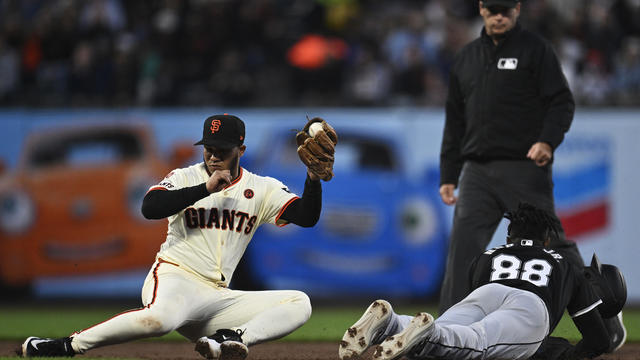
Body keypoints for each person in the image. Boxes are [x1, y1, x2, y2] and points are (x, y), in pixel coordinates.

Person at [20, 114, 337, 359]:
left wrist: (313, 179)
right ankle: (67, 345)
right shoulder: (185, 176)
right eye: (209, 149)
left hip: (218, 299)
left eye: (222, 151)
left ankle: (232, 340)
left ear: (241, 150)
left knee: (299, 303)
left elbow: (306, 217)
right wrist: (205, 189)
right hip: (176, 278)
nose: (213, 156)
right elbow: (150, 207)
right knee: (159, 320)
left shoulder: (261, 187)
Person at [438, 0, 627, 350]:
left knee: (554, 245)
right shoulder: (466, 57)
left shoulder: (535, 49)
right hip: (476, 170)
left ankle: (602, 318)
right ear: (480, 8)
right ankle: (443, 336)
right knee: (462, 252)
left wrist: (547, 141)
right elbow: (455, 121)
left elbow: (561, 102)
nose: (499, 16)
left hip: (524, 165)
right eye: (492, 9)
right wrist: (449, 173)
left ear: (518, 9)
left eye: (505, 10)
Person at [339, 203, 614, 360]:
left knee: (453, 327)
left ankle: (393, 322)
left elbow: (477, 306)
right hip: (530, 306)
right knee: (477, 343)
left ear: (509, 238)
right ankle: (429, 334)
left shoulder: (486, 256)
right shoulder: (565, 263)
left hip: (487, 293)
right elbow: (598, 341)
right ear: (547, 241)